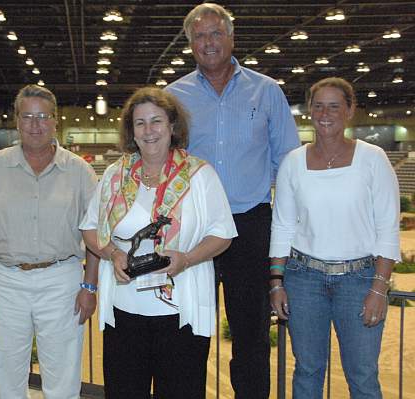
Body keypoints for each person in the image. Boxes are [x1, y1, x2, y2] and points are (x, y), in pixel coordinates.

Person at [165, 3, 300, 397]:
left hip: (250, 225)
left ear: (231, 37)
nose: (209, 42)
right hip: (194, 228)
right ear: (190, 44)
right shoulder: (174, 96)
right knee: (189, 331)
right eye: (200, 36)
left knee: (251, 336)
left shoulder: (267, 90)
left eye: (216, 33)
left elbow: (287, 163)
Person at [80, 87, 237, 398]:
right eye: (140, 123)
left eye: (156, 121)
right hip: (125, 312)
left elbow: (223, 234)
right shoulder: (115, 175)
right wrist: (112, 253)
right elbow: (89, 229)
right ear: (131, 131)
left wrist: (188, 259)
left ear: (172, 126)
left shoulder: (199, 175)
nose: (148, 130)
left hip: (180, 313)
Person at [0, 84, 99, 399]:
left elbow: (95, 233)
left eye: (43, 117)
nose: (36, 125)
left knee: (63, 372)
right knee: (8, 372)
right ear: (17, 121)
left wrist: (89, 286)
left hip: (61, 278)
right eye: (28, 117)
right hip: (5, 280)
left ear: (55, 121)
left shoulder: (80, 171)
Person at [269, 77, 400, 398]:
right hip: (303, 280)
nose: (324, 113)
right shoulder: (293, 163)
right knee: (308, 370)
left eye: (334, 106)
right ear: (309, 111)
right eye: (318, 106)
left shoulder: (374, 159)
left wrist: (379, 288)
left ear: (349, 111)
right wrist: (276, 282)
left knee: (363, 375)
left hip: (359, 281)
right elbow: (282, 226)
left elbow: (387, 227)